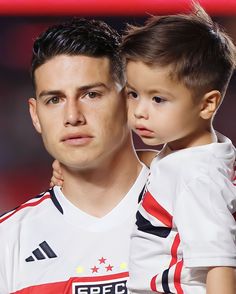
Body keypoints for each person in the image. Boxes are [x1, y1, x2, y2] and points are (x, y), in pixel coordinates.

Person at [0, 18, 154, 293]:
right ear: (36, 116)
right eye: (54, 100)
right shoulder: (8, 240)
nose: (72, 116)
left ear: (130, 99)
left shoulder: (198, 202)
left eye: (91, 95)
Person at [120, 3, 236, 294]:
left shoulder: (196, 177)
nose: (139, 111)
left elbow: (220, 264)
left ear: (207, 103)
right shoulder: (192, 154)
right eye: (133, 94)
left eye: (158, 99)